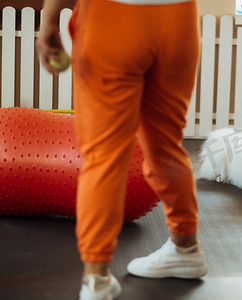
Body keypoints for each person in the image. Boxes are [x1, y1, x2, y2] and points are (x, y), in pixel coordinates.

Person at [37, 0, 206, 299]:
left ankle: (96, 278)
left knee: (104, 157)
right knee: (166, 145)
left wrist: (49, 20)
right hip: (179, 20)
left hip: (112, 16)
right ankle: (186, 247)